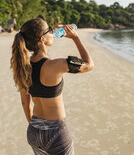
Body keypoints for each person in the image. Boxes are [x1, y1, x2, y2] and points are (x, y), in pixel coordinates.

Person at [10, 18, 94, 155]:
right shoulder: (56, 65)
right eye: (49, 30)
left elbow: (25, 103)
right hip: (56, 133)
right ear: (42, 39)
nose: (52, 31)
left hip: (33, 131)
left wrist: (37, 128)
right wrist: (75, 38)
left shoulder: (23, 68)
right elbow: (89, 65)